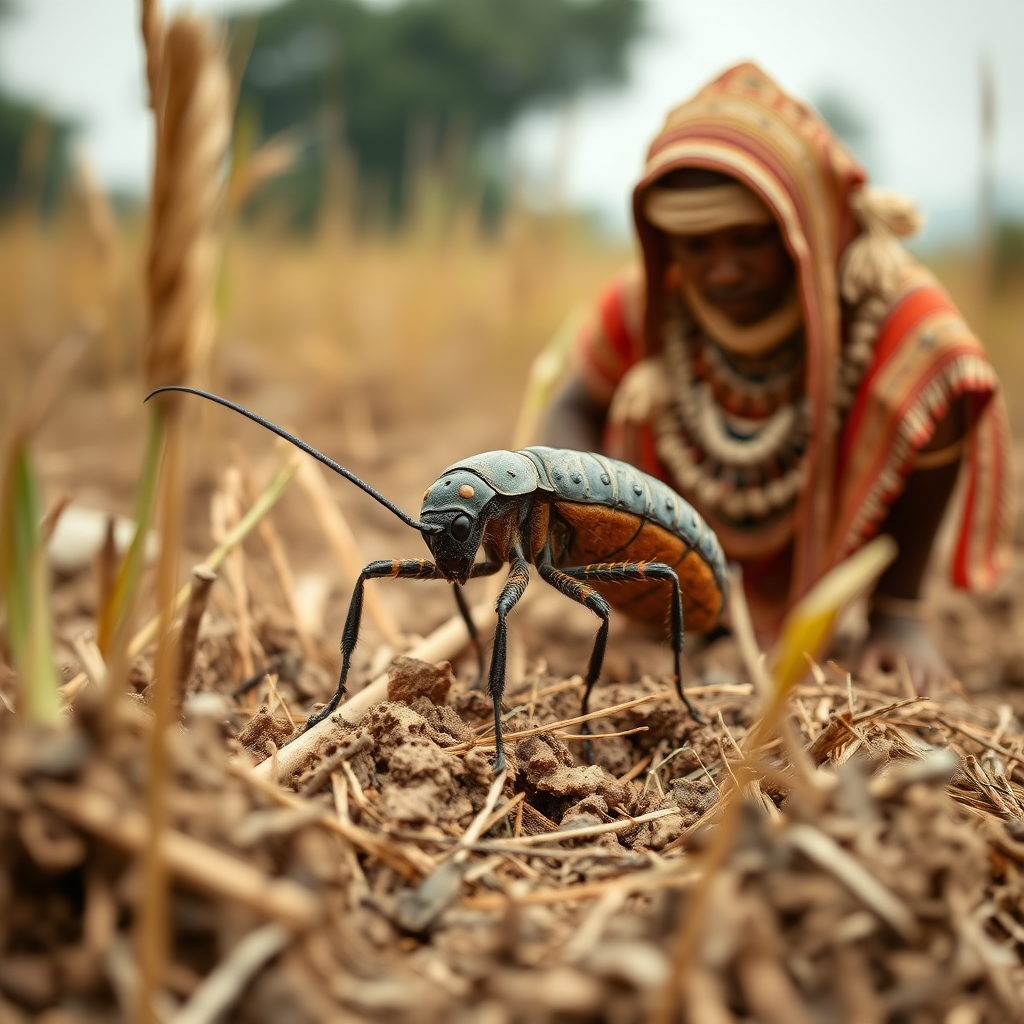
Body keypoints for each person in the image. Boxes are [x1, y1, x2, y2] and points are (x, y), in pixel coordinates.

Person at [544, 63, 1015, 692]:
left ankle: (893, 612)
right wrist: (594, 534)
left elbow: (950, 381)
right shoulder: (651, 305)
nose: (725, 271)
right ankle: (689, 605)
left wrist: (898, 614)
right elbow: (573, 407)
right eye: (696, 246)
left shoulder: (881, 303)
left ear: (804, 226)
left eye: (749, 240)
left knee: (931, 360)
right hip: (673, 565)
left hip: (829, 545)